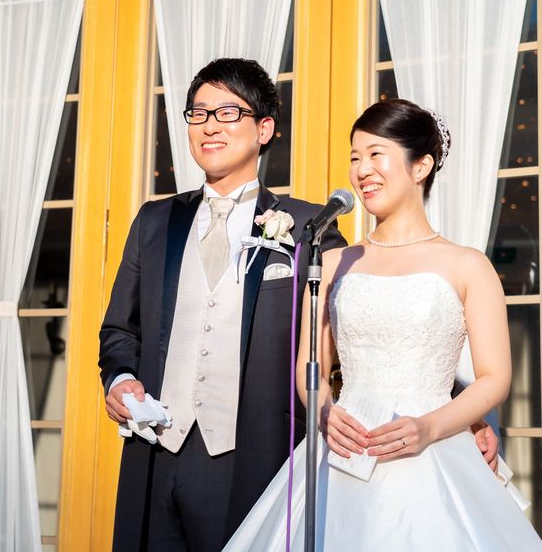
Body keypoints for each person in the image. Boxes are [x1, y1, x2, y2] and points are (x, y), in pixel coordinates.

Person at [223, 99, 542, 551]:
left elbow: (495, 379)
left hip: (433, 448)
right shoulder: (334, 261)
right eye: (355, 157)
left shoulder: (468, 265)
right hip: (344, 450)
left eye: (376, 154)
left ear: (421, 166)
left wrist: (429, 428)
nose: (362, 170)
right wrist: (324, 412)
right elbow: (310, 367)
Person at [98, 58, 346, 552]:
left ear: (264, 129)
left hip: (254, 458)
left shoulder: (309, 228)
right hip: (156, 451)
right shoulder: (153, 221)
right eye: (199, 113)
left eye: (228, 112)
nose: (210, 126)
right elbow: (120, 329)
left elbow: (357, 333)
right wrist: (120, 379)